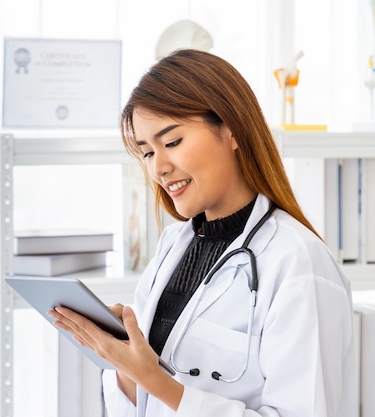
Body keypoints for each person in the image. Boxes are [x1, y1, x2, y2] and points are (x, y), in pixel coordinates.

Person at [48, 49, 357, 417]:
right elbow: (141, 403)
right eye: (146, 153)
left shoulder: (297, 263)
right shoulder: (172, 247)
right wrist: (121, 357)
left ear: (231, 131)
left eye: (172, 142)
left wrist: (154, 379)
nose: (159, 168)